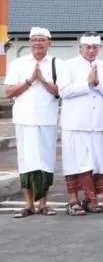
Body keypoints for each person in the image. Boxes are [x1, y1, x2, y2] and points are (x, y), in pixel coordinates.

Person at [3, 26, 64, 218]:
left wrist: (42, 80)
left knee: (46, 161)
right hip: (25, 119)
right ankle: (28, 204)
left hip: (47, 119)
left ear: (49, 42)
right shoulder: (18, 63)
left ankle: (44, 204)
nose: (38, 43)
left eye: (42, 40)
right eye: (35, 40)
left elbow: (60, 91)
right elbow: (8, 92)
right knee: (27, 160)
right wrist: (29, 81)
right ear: (30, 42)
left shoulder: (58, 63)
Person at [59, 32, 103, 215]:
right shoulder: (67, 65)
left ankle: (91, 199)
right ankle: (73, 200)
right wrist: (86, 83)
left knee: (95, 162)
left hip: (95, 123)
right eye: (88, 47)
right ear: (80, 47)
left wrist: (97, 84)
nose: (91, 51)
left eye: (95, 47)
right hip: (75, 123)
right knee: (75, 161)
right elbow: (64, 91)